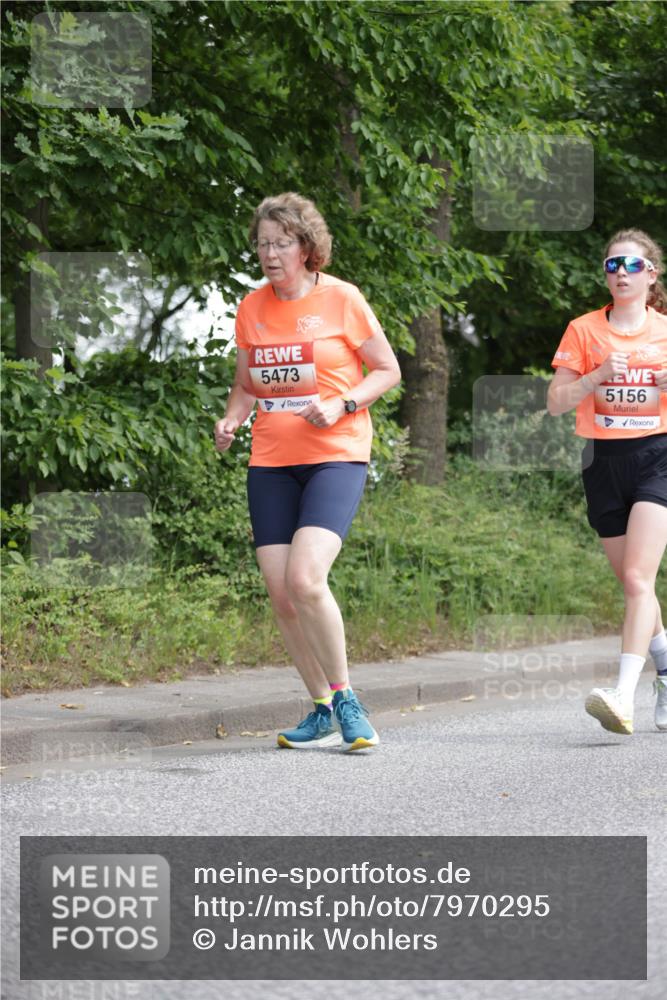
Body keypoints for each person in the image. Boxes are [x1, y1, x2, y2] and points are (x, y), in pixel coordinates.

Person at [214, 193, 401, 751]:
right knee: (281, 594)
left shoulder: (342, 298)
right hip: (271, 461)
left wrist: (343, 402)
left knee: (305, 578)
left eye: (281, 243)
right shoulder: (252, 308)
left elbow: (387, 370)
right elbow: (248, 384)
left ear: (306, 247)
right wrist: (231, 419)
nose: (269, 254)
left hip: (335, 454)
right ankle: (320, 706)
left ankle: (347, 699)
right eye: (263, 244)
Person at [547, 228, 667, 735]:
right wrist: (595, 376)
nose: (621, 273)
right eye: (613, 265)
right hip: (602, 461)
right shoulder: (582, 329)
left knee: (640, 579)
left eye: (632, 266)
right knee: (632, 583)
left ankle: (622, 695)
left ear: (651, 275)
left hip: (658, 455)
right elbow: (555, 402)